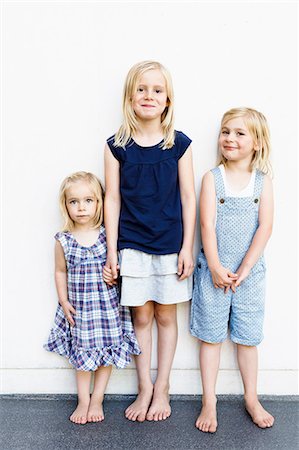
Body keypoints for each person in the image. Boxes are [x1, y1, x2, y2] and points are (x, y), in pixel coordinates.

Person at [103, 61, 196, 422]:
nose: (149, 96)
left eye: (157, 90)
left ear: (168, 99)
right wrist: (112, 251)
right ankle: (144, 387)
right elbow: (113, 198)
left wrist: (188, 247)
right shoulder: (117, 147)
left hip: (171, 244)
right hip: (132, 244)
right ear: (130, 96)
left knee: (165, 315)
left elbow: (188, 196)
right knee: (141, 316)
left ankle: (163, 386)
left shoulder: (179, 145)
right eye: (142, 89)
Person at [190, 107, 275, 432]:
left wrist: (246, 267)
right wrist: (214, 265)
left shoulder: (262, 182)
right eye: (226, 131)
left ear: (256, 142)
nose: (230, 138)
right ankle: (209, 400)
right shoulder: (212, 178)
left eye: (240, 133)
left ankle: (251, 397)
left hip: (249, 276)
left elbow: (265, 227)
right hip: (213, 273)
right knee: (211, 339)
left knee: (247, 339)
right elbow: (206, 225)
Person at [44, 171, 140, 425]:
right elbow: (60, 271)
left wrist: (114, 275)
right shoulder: (63, 240)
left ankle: (97, 399)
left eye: (88, 200)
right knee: (83, 357)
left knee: (105, 355)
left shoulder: (106, 235)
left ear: (99, 203)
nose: (81, 207)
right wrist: (63, 301)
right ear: (65, 206)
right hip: (81, 310)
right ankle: (83, 400)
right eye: (73, 202)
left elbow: (118, 267)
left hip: (107, 309)